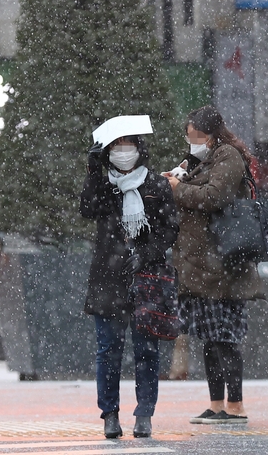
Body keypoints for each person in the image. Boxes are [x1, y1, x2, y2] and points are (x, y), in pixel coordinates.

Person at [165, 105, 261, 425]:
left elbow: (215, 196)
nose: (193, 142)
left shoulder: (227, 156)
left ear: (213, 134)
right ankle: (216, 404)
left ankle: (236, 406)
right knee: (209, 337)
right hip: (201, 268)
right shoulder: (197, 159)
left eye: (199, 137)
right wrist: (174, 179)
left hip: (223, 265)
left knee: (225, 339)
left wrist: (180, 191)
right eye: (190, 136)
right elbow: (184, 185)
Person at [81, 129, 178, 439]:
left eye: (129, 145)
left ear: (139, 148)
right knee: (108, 350)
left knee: (147, 350)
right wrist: (93, 171)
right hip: (108, 279)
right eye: (117, 146)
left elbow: (169, 228)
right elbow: (87, 208)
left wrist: (147, 254)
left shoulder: (156, 184)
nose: (124, 152)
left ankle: (144, 413)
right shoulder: (105, 184)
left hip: (146, 278)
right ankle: (109, 414)